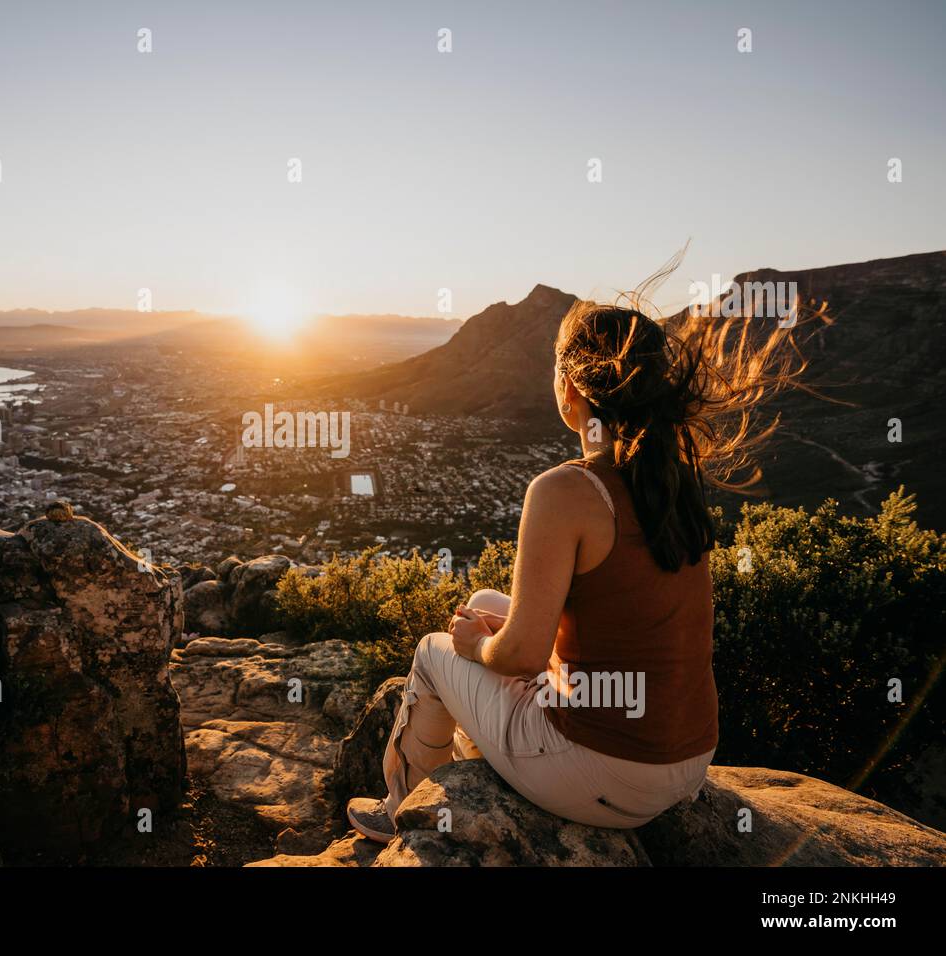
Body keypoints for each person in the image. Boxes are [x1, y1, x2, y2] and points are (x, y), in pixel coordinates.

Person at [347, 258, 809, 840]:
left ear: (570, 387)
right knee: (488, 598)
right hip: (687, 760)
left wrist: (477, 643)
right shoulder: (669, 479)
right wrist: (505, 633)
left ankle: (405, 815)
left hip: (606, 773)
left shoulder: (565, 490)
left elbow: (517, 657)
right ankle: (485, 763)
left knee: (436, 651)